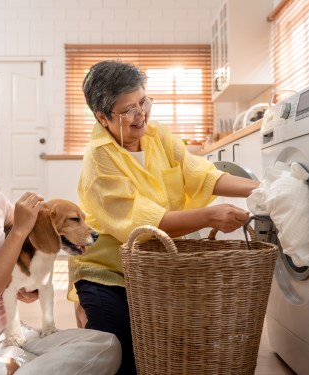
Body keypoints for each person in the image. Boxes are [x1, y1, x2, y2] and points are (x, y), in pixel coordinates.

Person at [67, 60, 260, 374]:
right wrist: (210, 216)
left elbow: (203, 175)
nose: (141, 114)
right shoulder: (99, 159)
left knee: (171, 346)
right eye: (128, 109)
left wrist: (261, 190)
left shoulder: (159, 136)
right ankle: (89, 303)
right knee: (117, 354)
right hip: (109, 269)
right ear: (102, 117)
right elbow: (144, 227)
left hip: (155, 268)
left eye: (144, 102)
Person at [0, 103, 122, 375]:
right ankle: (7, 368)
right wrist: (19, 232)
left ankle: (7, 365)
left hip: (8, 336)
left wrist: (32, 284)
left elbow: (41, 238)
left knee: (106, 345)